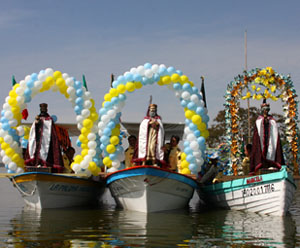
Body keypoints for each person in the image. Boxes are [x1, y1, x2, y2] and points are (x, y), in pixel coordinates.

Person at [24, 103, 64, 173]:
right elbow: (33, 132)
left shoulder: (49, 120)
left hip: (46, 141)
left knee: (47, 150)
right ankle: (36, 164)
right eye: (42, 108)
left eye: (44, 108)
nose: (43, 109)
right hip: (38, 140)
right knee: (35, 149)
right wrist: (37, 123)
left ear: (46, 109)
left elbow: (52, 134)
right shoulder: (37, 119)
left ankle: (45, 165)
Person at [250, 99, 285, 173]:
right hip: (262, 140)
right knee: (261, 150)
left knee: (271, 150)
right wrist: (263, 122)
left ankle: (272, 164)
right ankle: (261, 164)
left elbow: (274, 132)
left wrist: (268, 122)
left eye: (267, 110)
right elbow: (257, 132)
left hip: (270, 140)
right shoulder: (259, 120)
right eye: (264, 109)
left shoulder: (272, 120)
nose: (266, 111)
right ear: (262, 110)